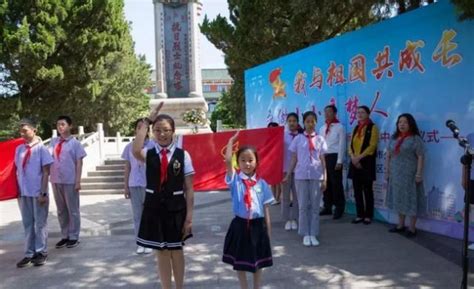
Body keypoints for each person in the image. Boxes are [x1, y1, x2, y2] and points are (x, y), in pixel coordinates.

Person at [132, 105, 195, 289]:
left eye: (166, 130)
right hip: (154, 208)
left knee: (176, 250)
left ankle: (179, 287)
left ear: (173, 132)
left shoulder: (183, 155)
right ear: (152, 132)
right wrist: (147, 121)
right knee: (160, 251)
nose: (162, 134)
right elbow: (136, 149)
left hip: (176, 208)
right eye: (157, 130)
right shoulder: (149, 153)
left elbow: (190, 189)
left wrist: (189, 218)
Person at [222, 130, 274, 289]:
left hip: (258, 227)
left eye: (250, 160)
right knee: (240, 262)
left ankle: (257, 286)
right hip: (240, 225)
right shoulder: (235, 180)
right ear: (238, 163)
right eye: (243, 160)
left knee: (258, 262)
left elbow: (266, 210)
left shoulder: (262, 183)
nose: (247, 163)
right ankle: (243, 286)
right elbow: (227, 160)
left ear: (256, 162)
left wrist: (268, 233)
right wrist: (231, 141)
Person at [15, 118, 54, 268]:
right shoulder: (19, 149)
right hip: (24, 192)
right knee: (27, 223)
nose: (22, 133)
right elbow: (17, 170)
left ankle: (41, 252)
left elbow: (46, 172)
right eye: (21, 131)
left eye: (25, 130)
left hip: (38, 191)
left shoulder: (41, 149)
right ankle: (29, 253)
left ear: (34, 130)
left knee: (40, 223)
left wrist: (43, 193)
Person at [284, 111, 327, 246]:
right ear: (304, 123)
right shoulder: (298, 139)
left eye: (312, 121)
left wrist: (325, 178)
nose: (310, 124)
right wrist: (288, 174)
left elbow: (323, 160)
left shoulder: (320, 139)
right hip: (301, 176)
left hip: (316, 176)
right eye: (307, 121)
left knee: (314, 206)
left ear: (315, 122)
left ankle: (313, 233)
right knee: (302, 206)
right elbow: (294, 159)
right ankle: (305, 233)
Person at [50, 116, 87, 249]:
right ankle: (64, 235)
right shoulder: (53, 142)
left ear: (70, 126)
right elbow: (48, 159)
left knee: (73, 210)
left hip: (70, 180)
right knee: (61, 210)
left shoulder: (75, 143)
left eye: (63, 124)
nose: (60, 127)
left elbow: (79, 163)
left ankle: (74, 236)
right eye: (58, 124)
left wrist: (78, 181)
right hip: (55, 180)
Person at [385, 113, 425, 237]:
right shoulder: (393, 138)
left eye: (405, 122)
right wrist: (387, 171)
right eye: (400, 122)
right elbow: (388, 155)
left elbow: (421, 156)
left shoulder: (415, 139)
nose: (401, 124)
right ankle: (400, 225)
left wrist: (419, 174)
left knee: (411, 199)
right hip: (396, 174)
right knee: (398, 198)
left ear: (410, 124)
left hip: (410, 175)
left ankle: (412, 228)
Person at [121, 118, 154, 254]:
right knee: (137, 215)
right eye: (138, 127)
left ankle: (150, 241)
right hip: (134, 184)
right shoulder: (129, 147)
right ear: (135, 129)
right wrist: (125, 186)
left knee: (150, 214)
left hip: (149, 184)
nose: (141, 129)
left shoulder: (152, 145)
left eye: (143, 127)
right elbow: (127, 167)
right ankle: (140, 242)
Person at [348, 106, 379, 225]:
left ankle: (368, 215)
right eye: (358, 112)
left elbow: (372, 146)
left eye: (362, 112)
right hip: (355, 162)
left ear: (368, 114)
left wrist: (359, 158)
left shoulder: (373, 127)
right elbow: (350, 145)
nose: (359, 114)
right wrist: (353, 158)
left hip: (366, 163)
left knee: (367, 190)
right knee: (357, 190)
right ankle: (359, 214)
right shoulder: (356, 127)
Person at [319, 105, 346, 219]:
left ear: (335, 113)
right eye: (325, 112)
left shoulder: (340, 127)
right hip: (324, 157)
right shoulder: (321, 128)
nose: (327, 114)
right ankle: (327, 206)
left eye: (329, 112)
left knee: (336, 184)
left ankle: (339, 208)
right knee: (326, 183)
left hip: (334, 157)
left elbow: (342, 145)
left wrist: (339, 160)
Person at [281, 113, 300, 231]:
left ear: (298, 122)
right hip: (285, 170)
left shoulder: (302, 136)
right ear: (287, 122)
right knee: (286, 196)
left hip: (299, 170)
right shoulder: (282, 136)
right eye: (290, 121)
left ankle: (295, 218)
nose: (292, 123)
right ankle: (287, 219)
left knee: (297, 197)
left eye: (294, 121)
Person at [463, 133, 474, 250]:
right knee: (473, 208)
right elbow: (465, 160)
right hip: (472, 179)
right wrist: (464, 177)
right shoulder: (470, 137)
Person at [267, 122, 282, 205]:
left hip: (279, 162)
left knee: (278, 182)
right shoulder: (268, 139)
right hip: (271, 162)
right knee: (272, 182)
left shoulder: (280, 138)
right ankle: (273, 198)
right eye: (269, 128)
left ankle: (278, 198)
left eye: (273, 128)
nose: (271, 130)